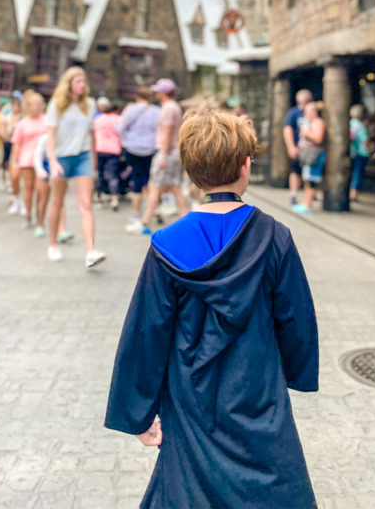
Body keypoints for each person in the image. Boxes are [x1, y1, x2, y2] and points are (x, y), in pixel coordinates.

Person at [105, 109, 319, 508]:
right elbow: (295, 319)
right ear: (245, 165)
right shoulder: (274, 236)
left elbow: (147, 330)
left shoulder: (167, 243)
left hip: (190, 395)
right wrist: (295, 369)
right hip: (257, 389)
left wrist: (136, 412)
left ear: (189, 171)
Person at [45, 67, 105, 267]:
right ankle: (53, 244)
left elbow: (92, 135)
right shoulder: (56, 105)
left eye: (84, 81)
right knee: (57, 201)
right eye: (78, 81)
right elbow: (50, 135)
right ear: (69, 83)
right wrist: (52, 162)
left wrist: (94, 162)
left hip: (83, 156)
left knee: (86, 204)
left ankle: (91, 251)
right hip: (61, 157)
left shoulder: (89, 104)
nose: (83, 85)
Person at [126, 78, 186, 235]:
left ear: (163, 93)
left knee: (155, 187)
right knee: (174, 188)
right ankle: (187, 223)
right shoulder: (175, 107)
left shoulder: (167, 109)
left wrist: (163, 156)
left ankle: (145, 222)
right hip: (174, 151)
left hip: (167, 151)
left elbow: (166, 133)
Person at [119, 87, 160, 229]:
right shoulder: (157, 111)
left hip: (133, 148)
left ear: (137, 96)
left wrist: (124, 142)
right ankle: (153, 210)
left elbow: (120, 127)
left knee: (136, 180)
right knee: (150, 181)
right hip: (151, 149)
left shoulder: (131, 109)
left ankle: (136, 213)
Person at [10, 92, 47, 235]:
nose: (36, 107)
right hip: (27, 159)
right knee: (28, 188)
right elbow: (16, 144)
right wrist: (14, 161)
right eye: (33, 104)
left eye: (38, 104)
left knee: (41, 188)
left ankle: (40, 215)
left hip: (43, 160)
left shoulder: (47, 120)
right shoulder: (22, 123)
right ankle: (27, 215)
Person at [294, 101, 326, 214]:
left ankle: (308, 204)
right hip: (308, 154)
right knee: (307, 179)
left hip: (315, 155)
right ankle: (305, 203)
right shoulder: (310, 122)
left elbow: (318, 138)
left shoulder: (318, 122)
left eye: (307, 111)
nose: (305, 113)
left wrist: (307, 132)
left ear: (313, 112)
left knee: (312, 179)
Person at [283, 89, 313, 206]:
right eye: (300, 102)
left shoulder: (313, 112)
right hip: (298, 147)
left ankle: (309, 196)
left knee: (310, 173)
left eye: (305, 102)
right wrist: (291, 147)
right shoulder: (294, 113)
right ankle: (294, 195)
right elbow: (287, 129)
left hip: (311, 150)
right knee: (296, 171)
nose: (303, 105)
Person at [94, 97, 122, 211]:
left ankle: (99, 198)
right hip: (114, 149)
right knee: (113, 174)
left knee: (99, 174)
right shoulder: (118, 119)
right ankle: (114, 199)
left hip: (99, 149)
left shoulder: (98, 119)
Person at [3, 92, 24, 215]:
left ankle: (22, 201)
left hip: (24, 147)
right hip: (10, 145)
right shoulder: (7, 114)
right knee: (13, 173)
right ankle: (15, 196)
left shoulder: (25, 117)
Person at [349, 104, 369, 202]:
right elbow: (365, 141)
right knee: (358, 173)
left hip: (351, 152)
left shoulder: (349, 123)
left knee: (352, 172)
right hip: (361, 153)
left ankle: (350, 193)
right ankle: (353, 194)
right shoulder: (361, 126)